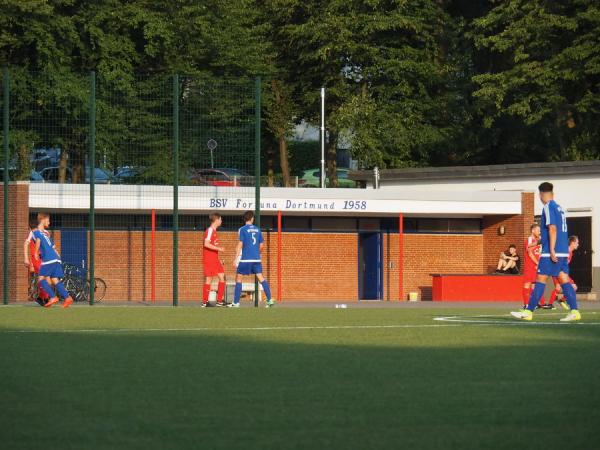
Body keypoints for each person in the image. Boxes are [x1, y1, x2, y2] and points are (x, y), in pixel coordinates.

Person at [511, 182, 580, 321]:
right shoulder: (559, 208)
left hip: (551, 252)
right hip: (563, 251)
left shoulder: (548, 207)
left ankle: (528, 312)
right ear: (552, 193)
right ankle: (575, 311)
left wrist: (552, 249)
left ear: (541, 195)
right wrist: (538, 242)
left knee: (540, 280)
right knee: (564, 280)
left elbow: (552, 229)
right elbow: (555, 232)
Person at [228, 210, 274, 308]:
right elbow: (261, 246)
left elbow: (240, 244)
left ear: (244, 219)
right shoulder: (258, 229)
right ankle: (270, 300)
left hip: (245, 260)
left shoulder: (242, 229)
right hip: (256, 259)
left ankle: (236, 303)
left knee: (239, 278)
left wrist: (235, 258)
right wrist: (258, 254)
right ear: (252, 218)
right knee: (261, 278)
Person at [32, 212, 73, 308]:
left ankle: (53, 297)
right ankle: (67, 298)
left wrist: (35, 252)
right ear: (43, 220)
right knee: (55, 279)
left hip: (49, 259)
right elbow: (53, 247)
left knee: (41, 278)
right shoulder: (46, 234)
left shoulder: (37, 232)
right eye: (48, 220)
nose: (49, 223)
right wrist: (58, 257)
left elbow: (38, 241)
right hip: (56, 258)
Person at [547, 235, 579, 310]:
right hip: (556, 271)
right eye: (577, 243)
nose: (578, 244)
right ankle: (550, 304)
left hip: (562, 272)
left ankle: (561, 300)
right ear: (572, 243)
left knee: (573, 287)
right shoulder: (565, 251)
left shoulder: (570, 253)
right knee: (559, 288)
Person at [23, 219, 50, 306]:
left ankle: (41, 298)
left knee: (46, 279)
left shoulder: (40, 233)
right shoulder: (35, 234)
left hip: (42, 259)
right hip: (38, 260)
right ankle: (44, 298)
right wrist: (27, 260)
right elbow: (27, 245)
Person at [202, 212, 226, 307]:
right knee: (209, 279)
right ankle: (204, 302)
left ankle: (219, 301)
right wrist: (219, 248)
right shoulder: (210, 230)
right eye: (220, 219)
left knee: (222, 277)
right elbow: (206, 244)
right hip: (209, 259)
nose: (221, 221)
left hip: (215, 259)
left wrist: (218, 258)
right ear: (216, 220)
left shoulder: (214, 231)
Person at [522, 224, 542, 308]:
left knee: (535, 285)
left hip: (537, 266)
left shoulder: (539, 240)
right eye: (538, 230)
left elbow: (540, 253)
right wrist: (537, 263)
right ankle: (526, 304)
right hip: (530, 265)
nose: (539, 232)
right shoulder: (530, 240)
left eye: (539, 230)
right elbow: (530, 253)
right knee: (527, 284)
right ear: (532, 230)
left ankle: (534, 303)